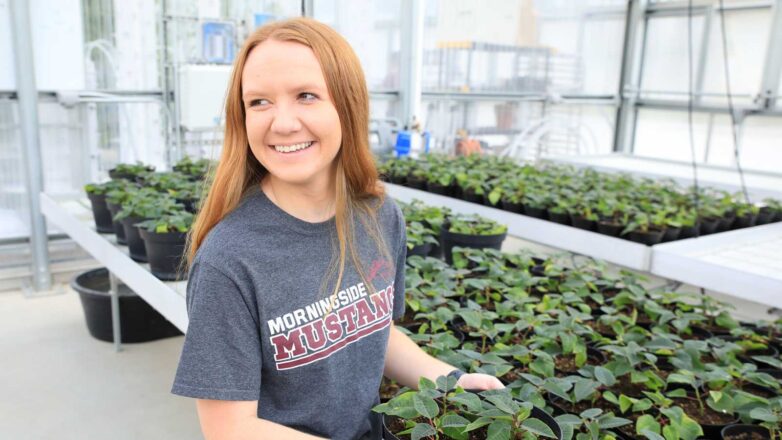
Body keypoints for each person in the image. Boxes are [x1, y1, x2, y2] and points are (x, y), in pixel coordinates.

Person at [171, 17, 504, 440]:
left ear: (348, 104)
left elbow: (375, 330)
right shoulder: (229, 260)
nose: (283, 122)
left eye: (306, 96)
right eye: (259, 102)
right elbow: (230, 429)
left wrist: (447, 378)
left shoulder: (378, 215)